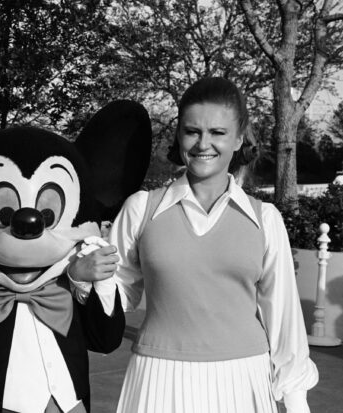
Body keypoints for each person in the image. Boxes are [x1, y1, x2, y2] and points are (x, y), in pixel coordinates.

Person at [73, 77, 318, 413]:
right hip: (158, 379)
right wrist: (83, 277)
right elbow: (119, 292)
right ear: (179, 134)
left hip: (243, 379)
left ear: (239, 138)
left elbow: (283, 316)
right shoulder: (141, 208)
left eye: (217, 132)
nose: (204, 143)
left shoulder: (266, 219)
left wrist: (295, 399)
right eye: (193, 131)